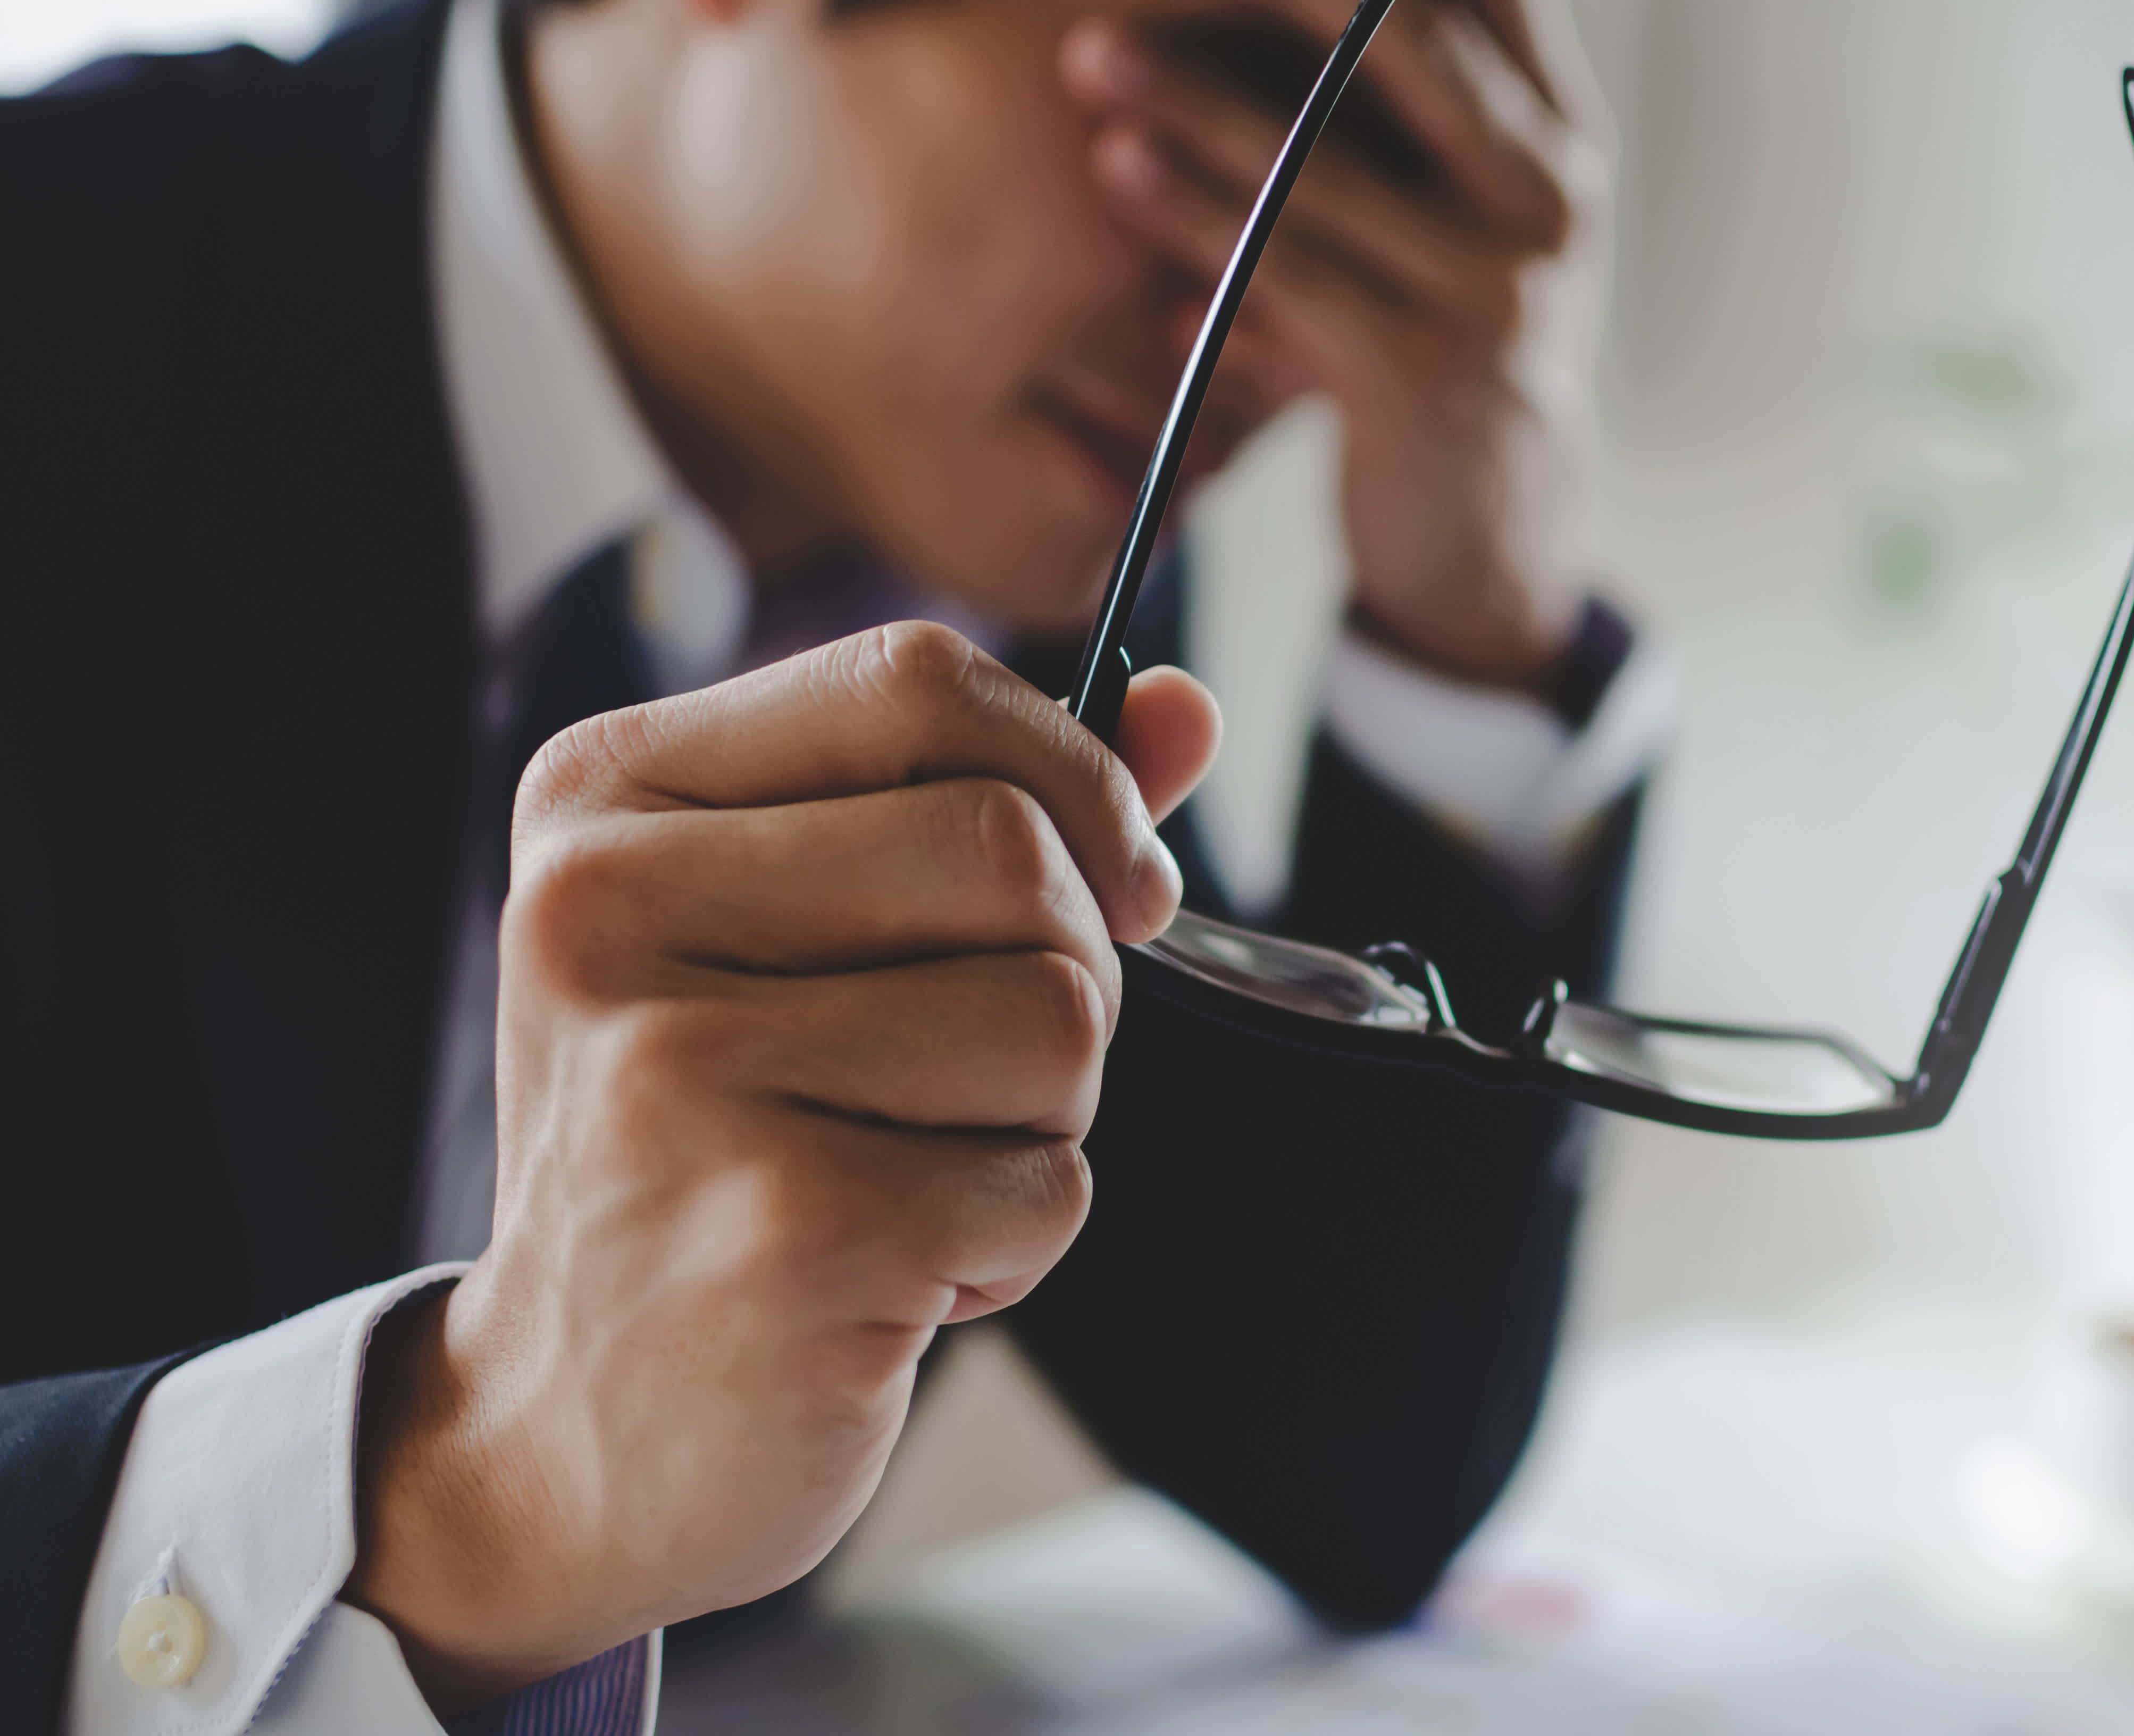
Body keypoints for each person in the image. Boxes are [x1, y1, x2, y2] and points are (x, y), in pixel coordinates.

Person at [0, 0, 1670, 1726]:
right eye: (1208, 106)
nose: (1280, 331)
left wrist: (1476, 608)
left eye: (1363, 178)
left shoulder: (1017, 552)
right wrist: (456, 1493)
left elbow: (1348, 1466)